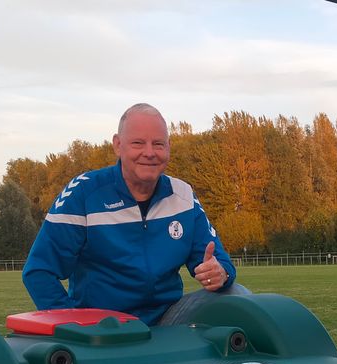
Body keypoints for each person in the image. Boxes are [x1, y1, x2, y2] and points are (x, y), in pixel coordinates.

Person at [23, 103, 236, 325]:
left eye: (158, 144)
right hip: (103, 325)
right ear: (118, 145)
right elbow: (39, 271)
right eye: (138, 143)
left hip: (168, 319)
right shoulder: (84, 194)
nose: (149, 153)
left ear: (168, 148)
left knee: (236, 295)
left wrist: (220, 273)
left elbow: (219, 261)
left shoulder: (182, 194)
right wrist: (73, 326)